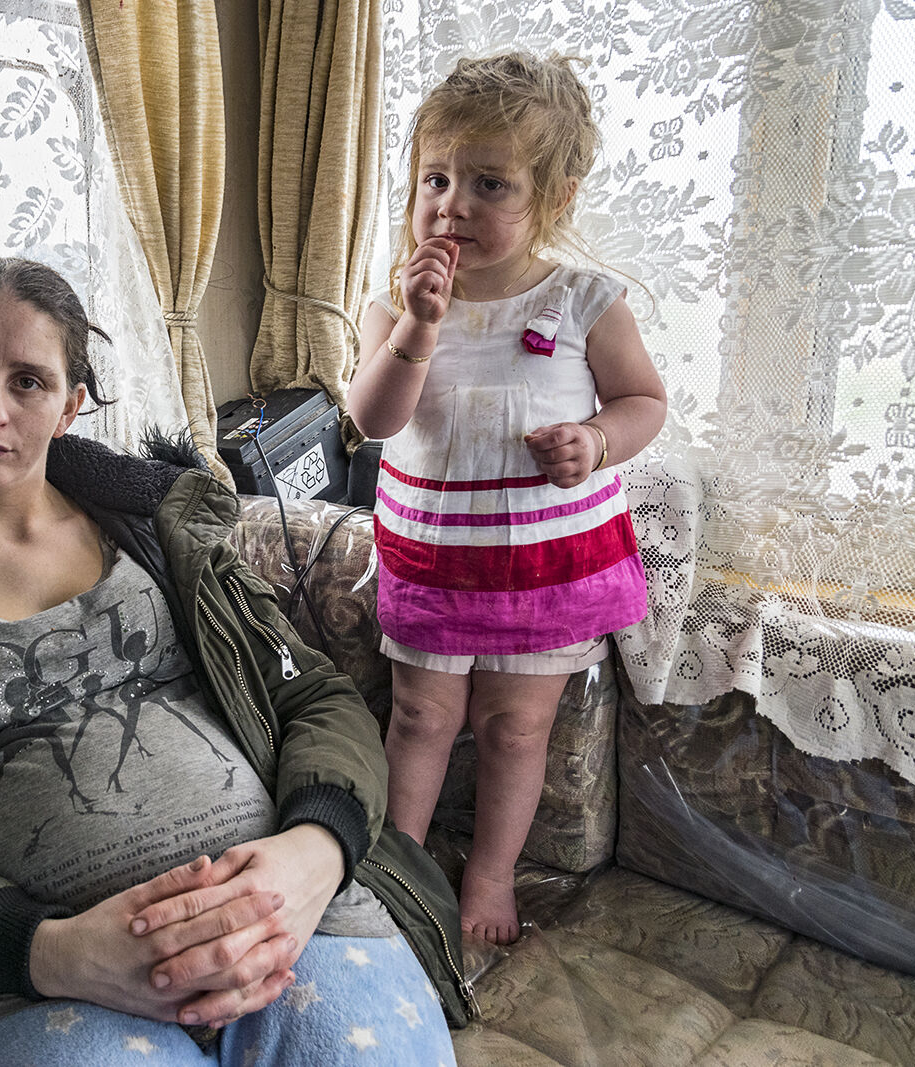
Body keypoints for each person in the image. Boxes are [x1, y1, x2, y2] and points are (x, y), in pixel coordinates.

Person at [0, 257, 472, 1066]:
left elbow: (313, 696)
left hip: (291, 917)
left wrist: (316, 850)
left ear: (71, 404)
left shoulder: (157, 526)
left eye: (29, 382)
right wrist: (49, 951)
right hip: (50, 982)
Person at [345, 52, 667, 946]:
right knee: (420, 716)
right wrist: (420, 326)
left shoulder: (586, 301)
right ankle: (398, 868)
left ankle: (490, 874)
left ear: (554, 198)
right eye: (436, 179)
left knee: (516, 730)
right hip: (434, 560)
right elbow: (373, 419)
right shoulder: (390, 307)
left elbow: (644, 401)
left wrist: (597, 440)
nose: (453, 205)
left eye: (490, 183)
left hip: (544, 567)